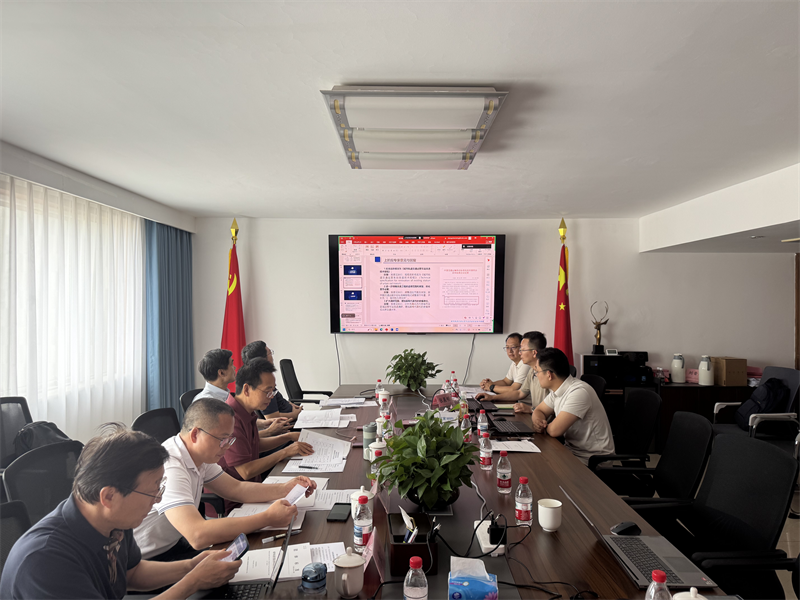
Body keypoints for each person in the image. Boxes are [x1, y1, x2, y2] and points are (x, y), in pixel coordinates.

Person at [0, 424, 240, 600]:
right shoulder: (46, 561)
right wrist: (192, 582)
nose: (158, 499)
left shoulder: (114, 520)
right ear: (108, 496)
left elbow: (131, 572)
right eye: (153, 491)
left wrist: (191, 566)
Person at [134, 398, 316, 560]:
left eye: (230, 440)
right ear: (195, 434)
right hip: (149, 560)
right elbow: (197, 535)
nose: (227, 447)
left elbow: (237, 489)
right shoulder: (171, 466)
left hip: (175, 543)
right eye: (222, 440)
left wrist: (286, 488)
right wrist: (268, 518)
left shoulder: (200, 456)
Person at [218, 358, 314, 511]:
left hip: (254, 488)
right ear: (247, 389)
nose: (271, 396)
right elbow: (245, 471)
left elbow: (254, 445)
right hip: (237, 501)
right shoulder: (230, 418)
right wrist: (285, 451)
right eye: (267, 391)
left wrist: (288, 437)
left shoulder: (246, 411)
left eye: (273, 391)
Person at [530, 347, 615, 465]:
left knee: (538, 465)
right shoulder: (557, 389)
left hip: (593, 460)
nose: (536, 375)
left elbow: (554, 431)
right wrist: (538, 421)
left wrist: (541, 426)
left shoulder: (578, 392)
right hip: (571, 452)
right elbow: (539, 410)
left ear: (549, 375)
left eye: (537, 372)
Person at [195, 347, 291, 438]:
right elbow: (226, 439)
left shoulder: (226, 394)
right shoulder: (207, 403)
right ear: (221, 373)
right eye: (231, 364)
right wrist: (269, 432)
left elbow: (238, 422)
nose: (235, 367)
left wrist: (264, 423)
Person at [477, 331, 547, 413]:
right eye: (507, 347)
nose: (520, 353)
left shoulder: (547, 373)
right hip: (532, 412)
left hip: (538, 414)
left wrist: (491, 387)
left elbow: (551, 407)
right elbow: (519, 393)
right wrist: (492, 397)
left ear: (534, 353)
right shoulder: (532, 371)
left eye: (522, 350)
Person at [241, 340, 303, 421]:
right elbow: (271, 417)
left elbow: (278, 400)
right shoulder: (262, 383)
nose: (272, 356)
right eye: (270, 353)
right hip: (289, 422)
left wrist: (291, 405)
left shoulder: (264, 377)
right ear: (263, 359)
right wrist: (296, 414)